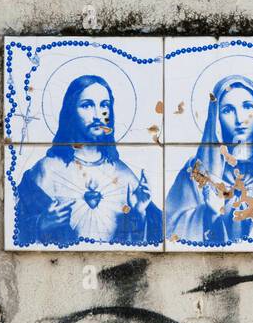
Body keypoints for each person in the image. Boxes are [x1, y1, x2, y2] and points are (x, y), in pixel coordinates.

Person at [15, 75, 162, 247]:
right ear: (70, 112)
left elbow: (151, 241)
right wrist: (41, 224)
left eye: (104, 105)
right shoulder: (46, 170)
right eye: (87, 105)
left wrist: (139, 213)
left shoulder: (124, 174)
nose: (98, 115)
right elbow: (12, 229)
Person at [165, 75, 253, 245]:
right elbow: (170, 227)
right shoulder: (196, 170)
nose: (240, 119)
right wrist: (208, 213)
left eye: (248, 106)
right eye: (227, 110)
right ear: (216, 118)